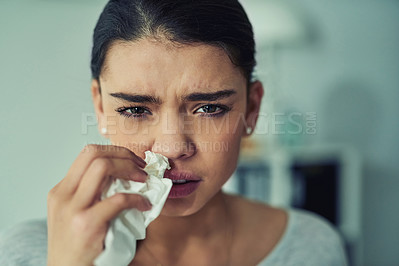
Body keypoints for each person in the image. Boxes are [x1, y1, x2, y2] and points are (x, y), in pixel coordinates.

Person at [0, 0, 348, 265]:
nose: (172, 147)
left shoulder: (310, 247)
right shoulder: (33, 253)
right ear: (101, 109)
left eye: (209, 108)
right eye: (135, 110)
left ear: (252, 109)